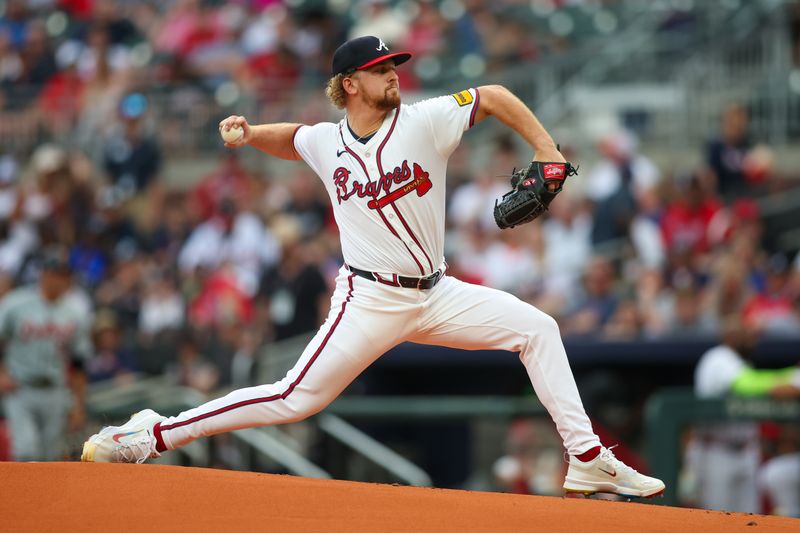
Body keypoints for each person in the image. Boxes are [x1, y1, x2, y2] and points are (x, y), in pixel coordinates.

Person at [81, 35, 664, 498]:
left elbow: (493, 95)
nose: (395, 74)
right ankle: (149, 435)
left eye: (395, 65)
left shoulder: (426, 120)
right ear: (350, 83)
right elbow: (296, 138)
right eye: (383, 68)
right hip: (370, 299)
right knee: (294, 398)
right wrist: (253, 133)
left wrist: (547, 150)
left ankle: (587, 458)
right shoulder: (328, 142)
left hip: (438, 294)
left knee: (538, 328)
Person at [684, 315, 800, 512]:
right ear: (729, 335)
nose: (751, 336)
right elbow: (747, 384)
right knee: (717, 521)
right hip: (716, 453)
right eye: (744, 331)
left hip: (746, 452)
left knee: (750, 520)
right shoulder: (718, 357)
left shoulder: (742, 363)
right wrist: (792, 376)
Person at [0, 246, 91, 461]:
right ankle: (20, 496)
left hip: (56, 391)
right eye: (53, 273)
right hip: (21, 388)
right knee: (26, 451)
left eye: (63, 274)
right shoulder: (15, 304)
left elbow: (79, 362)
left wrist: (78, 404)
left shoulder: (75, 312)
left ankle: (45, 497)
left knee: (50, 457)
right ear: (42, 273)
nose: (58, 279)